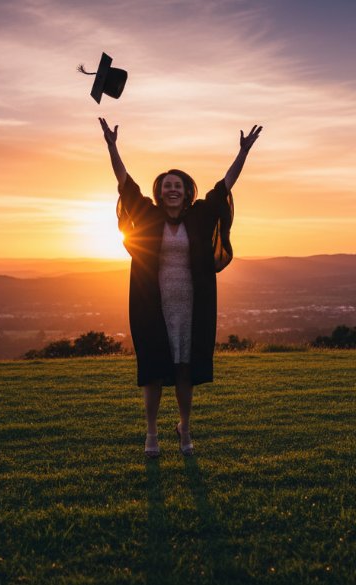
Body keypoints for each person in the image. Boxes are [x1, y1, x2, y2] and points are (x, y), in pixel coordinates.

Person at [99, 117, 262, 457]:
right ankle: (152, 433)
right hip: (152, 305)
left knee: (185, 368)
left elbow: (225, 186)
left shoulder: (199, 216)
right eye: (166, 185)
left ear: (188, 192)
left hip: (191, 305)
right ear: (159, 192)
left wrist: (243, 152)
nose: (172, 189)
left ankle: (185, 428)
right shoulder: (146, 214)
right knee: (154, 371)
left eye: (178, 185)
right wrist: (112, 146)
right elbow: (125, 182)